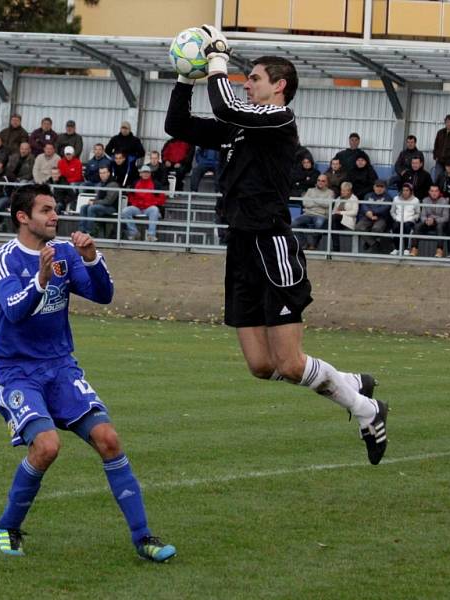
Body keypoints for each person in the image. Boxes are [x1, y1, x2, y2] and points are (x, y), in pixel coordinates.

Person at [164, 28, 387, 464]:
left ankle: (366, 409)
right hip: (240, 248)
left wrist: (216, 60)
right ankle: (349, 382)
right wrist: (183, 79)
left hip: (272, 247)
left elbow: (225, 102)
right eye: (245, 78)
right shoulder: (237, 125)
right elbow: (178, 126)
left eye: (255, 78)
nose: (246, 83)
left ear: (279, 86)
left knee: (289, 363)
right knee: (261, 367)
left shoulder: (278, 121)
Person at [0, 183, 175, 562]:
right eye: (45, 210)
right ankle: (6, 529)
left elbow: (102, 295)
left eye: (55, 209)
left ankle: (144, 538)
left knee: (108, 439)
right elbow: (15, 311)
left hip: (60, 367)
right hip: (16, 371)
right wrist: (40, 279)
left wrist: (91, 259)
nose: (55, 215)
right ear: (23, 217)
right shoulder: (2, 259)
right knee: (47, 446)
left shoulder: (67, 253)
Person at [120, 164, 164, 242]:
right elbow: (130, 196)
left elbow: (162, 198)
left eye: (147, 172)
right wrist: (136, 203)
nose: (145, 174)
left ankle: (151, 235)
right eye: (144, 172)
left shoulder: (156, 184)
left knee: (155, 209)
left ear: (150, 173)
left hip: (149, 208)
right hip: (137, 207)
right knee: (125, 211)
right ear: (140, 173)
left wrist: (151, 203)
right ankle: (134, 233)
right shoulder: (135, 183)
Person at [291, 173, 333, 251]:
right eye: (318, 180)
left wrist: (313, 200)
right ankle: (304, 243)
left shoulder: (330, 192)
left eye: (323, 181)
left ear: (327, 183)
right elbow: (305, 203)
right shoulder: (310, 190)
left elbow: (327, 204)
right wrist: (320, 202)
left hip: (321, 215)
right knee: (293, 223)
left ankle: (313, 245)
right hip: (307, 214)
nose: (320, 182)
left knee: (319, 224)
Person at [409, 184, 449, 258]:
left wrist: (435, 220)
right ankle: (414, 249)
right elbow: (423, 215)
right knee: (417, 226)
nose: (434, 193)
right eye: (432, 191)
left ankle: (439, 250)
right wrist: (426, 220)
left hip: (439, 222)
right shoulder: (425, 200)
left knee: (440, 227)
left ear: (439, 192)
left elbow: (446, 217)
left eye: (436, 191)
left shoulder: (444, 201)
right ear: (429, 192)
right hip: (427, 222)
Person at [79, 165, 119, 236]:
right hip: (101, 206)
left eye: (104, 173)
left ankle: (89, 232)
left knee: (92, 208)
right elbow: (98, 198)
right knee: (84, 207)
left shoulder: (113, 184)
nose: (102, 175)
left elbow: (108, 201)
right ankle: (82, 231)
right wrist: (92, 201)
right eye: (100, 173)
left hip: (111, 208)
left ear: (108, 173)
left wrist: (94, 202)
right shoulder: (101, 184)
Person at [355, 179, 392, 253]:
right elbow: (364, 205)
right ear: (374, 187)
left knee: (376, 229)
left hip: (381, 218)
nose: (379, 188)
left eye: (381, 186)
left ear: (384, 188)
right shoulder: (368, 195)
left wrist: (371, 212)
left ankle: (369, 242)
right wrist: (368, 212)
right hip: (368, 217)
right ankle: (374, 244)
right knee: (358, 227)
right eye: (377, 186)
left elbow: (383, 209)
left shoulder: (388, 197)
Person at [389, 182, 420, 256]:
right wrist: (395, 218)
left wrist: (413, 219)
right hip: (398, 220)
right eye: (403, 190)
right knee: (395, 226)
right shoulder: (396, 199)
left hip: (409, 221)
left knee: (407, 227)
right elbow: (392, 211)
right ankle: (397, 249)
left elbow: (418, 213)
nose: (405, 192)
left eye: (407, 190)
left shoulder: (415, 200)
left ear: (410, 191)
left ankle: (406, 249)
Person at [330, 181, 359, 253]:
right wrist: (336, 212)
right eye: (341, 190)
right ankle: (335, 247)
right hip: (337, 221)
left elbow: (354, 213)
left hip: (348, 221)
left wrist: (341, 212)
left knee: (334, 220)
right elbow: (334, 211)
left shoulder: (354, 199)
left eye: (344, 191)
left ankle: (336, 248)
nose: (342, 192)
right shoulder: (339, 198)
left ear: (349, 191)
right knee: (329, 222)